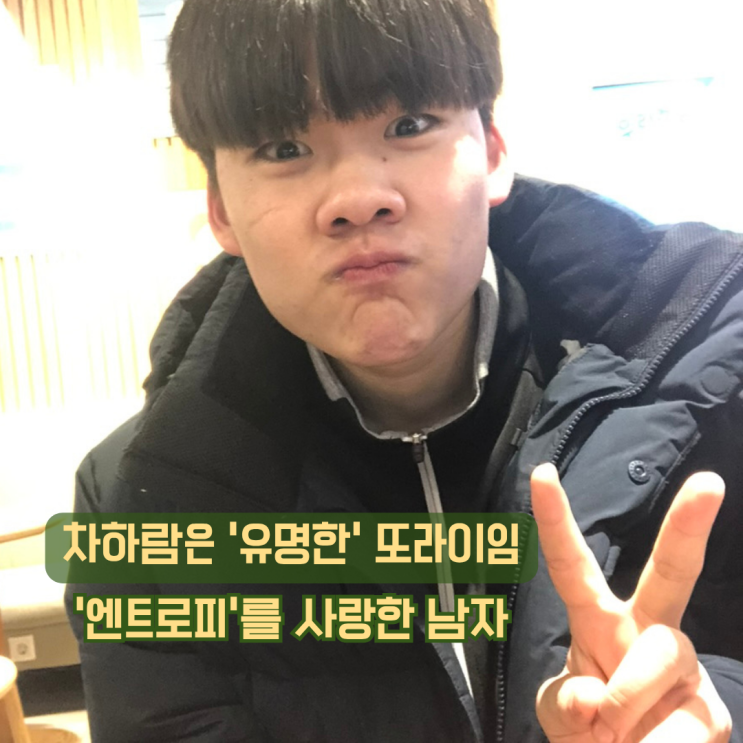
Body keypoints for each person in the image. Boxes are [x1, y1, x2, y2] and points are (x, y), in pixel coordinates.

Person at [65, 0, 743, 740]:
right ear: (221, 209)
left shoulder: (712, 376)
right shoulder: (142, 497)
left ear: (492, 152)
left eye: (410, 124)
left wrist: (716, 713)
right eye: (284, 148)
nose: (358, 200)